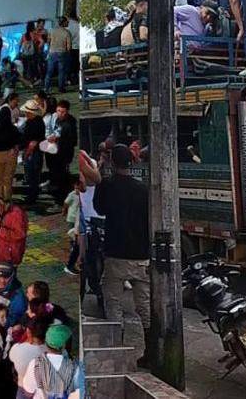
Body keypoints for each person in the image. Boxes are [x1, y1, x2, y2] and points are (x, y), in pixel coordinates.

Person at [93, 143, 153, 366]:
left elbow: (99, 209)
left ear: (112, 162)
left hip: (115, 254)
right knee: (144, 306)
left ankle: (116, 350)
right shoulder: (143, 189)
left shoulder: (107, 185)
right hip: (141, 255)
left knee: (113, 302)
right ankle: (150, 352)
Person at [19, 324, 81, 399]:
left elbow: (28, 392)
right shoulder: (76, 367)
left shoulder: (35, 364)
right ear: (64, 346)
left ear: (46, 342)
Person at [45, 17, 73, 93]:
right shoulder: (67, 32)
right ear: (64, 23)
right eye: (67, 22)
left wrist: (48, 51)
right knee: (61, 72)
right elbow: (69, 47)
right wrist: (68, 54)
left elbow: (48, 42)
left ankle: (46, 88)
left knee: (49, 72)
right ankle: (61, 88)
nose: (68, 23)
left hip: (52, 52)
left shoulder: (52, 31)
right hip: (62, 53)